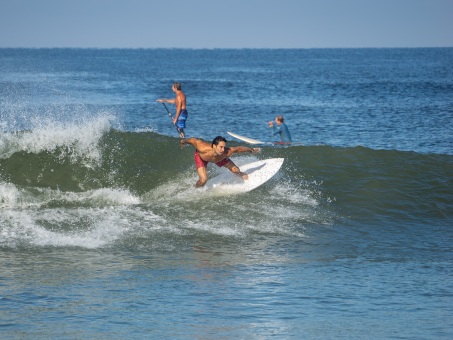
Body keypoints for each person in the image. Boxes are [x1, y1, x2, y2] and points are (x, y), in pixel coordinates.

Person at [180, 136, 261, 188]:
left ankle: (240, 174)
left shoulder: (225, 152)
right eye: (220, 147)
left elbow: (239, 148)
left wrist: (251, 150)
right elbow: (192, 140)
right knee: (203, 180)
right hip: (201, 157)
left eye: (224, 147)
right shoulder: (202, 147)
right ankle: (196, 189)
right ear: (214, 146)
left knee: (236, 170)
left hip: (218, 158)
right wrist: (183, 141)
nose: (223, 149)